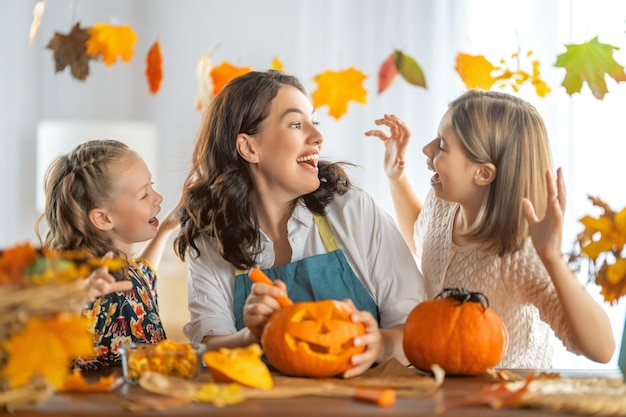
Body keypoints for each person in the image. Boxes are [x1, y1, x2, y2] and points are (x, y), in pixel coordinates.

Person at [175, 69, 424, 378]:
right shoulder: (211, 242)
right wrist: (251, 336)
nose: (317, 137)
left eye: (314, 122)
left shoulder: (354, 212)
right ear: (249, 148)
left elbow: (416, 329)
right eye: (296, 124)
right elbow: (207, 354)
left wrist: (382, 344)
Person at [365, 89, 615, 368]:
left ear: (483, 173)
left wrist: (553, 259)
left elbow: (601, 349)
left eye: (442, 145)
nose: (427, 149)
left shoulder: (521, 256)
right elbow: (421, 237)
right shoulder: (442, 205)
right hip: (447, 391)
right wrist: (395, 177)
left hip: (508, 401)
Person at [36, 139, 180, 369]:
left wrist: (167, 228)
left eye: (151, 186)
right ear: (104, 218)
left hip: (143, 396)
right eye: (144, 194)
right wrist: (81, 297)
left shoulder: (126, 269)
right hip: (103, 401)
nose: (158, 198)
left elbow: (144, 272)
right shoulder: (85, 281)